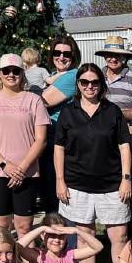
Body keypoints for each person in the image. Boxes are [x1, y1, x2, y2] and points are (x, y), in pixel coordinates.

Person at [54, 63, 132, 263]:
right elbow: (59, 148)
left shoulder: (112, 111)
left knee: (118, 235)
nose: (89, 86)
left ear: (101, 85)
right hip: (77, 184)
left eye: (94, 82)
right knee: (85, 236)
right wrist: (60, 181)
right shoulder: (68, 112)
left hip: (112, 184)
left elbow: (124, 146)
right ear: (78, 85)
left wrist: (126, 178)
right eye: (84, 82)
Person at [0, 53, 50, 236]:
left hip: (27, 172)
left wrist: (22, 168)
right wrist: (4, 164)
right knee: (2, 227)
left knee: (24, 227)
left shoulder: (34, 100)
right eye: (6, 70)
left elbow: (41, 139)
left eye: (16, 70)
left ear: (22, 73)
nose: (11, 74)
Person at [39, 35, 80, 213]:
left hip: (60, 139)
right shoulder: (54, 76)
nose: (61, 57)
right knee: (48, 191)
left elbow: (42, 101)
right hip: (47, 138)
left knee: (57, 191)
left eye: (66, 54)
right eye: (57, 52)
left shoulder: (72, 76)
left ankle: (62, 233)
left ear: (74, 56)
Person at [97, 36, 132, 122]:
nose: (113, 59)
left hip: (125, 132)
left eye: (117, 55)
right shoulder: (97, 77)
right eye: (110, 55)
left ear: (123, 56)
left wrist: (113, 114)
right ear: (104, 56)